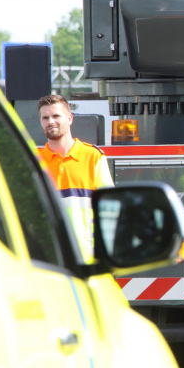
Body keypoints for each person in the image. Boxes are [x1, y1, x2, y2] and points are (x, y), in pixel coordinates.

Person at [38, 94, 114, 260]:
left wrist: (108, 255)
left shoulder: (93, 157)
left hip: (87, 259)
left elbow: (109, 210)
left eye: (56, 116)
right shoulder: (34, 162)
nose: (50, 121)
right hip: (48, 261)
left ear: (69, 119)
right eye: (45, 117)